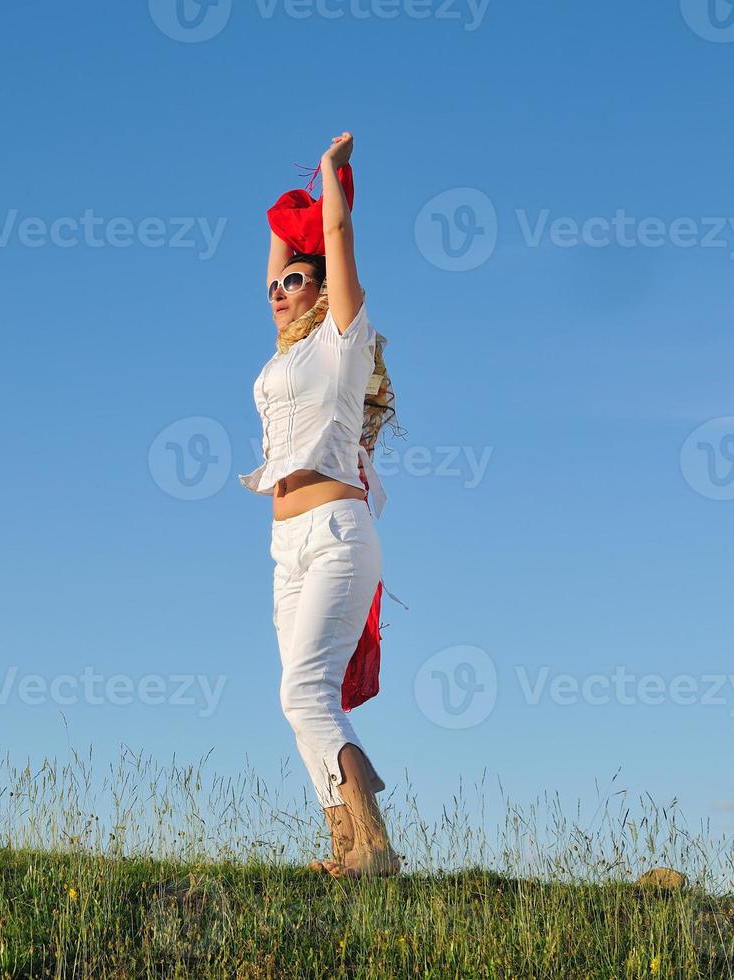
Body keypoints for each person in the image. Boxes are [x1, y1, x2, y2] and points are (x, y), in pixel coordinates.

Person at [239, 132, 403, 878]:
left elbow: (333, 237)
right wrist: (286, 223)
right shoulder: (280, 358)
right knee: (298, 698)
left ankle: (373, 847)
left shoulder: (342, 344)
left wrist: (334, 178)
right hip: (285, 545)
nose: (281, 289)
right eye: (278, 284)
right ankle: (347, 844)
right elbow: (285, 246)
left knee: (305, 690)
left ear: (325, 291)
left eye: (295, 282)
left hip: (337, 534)